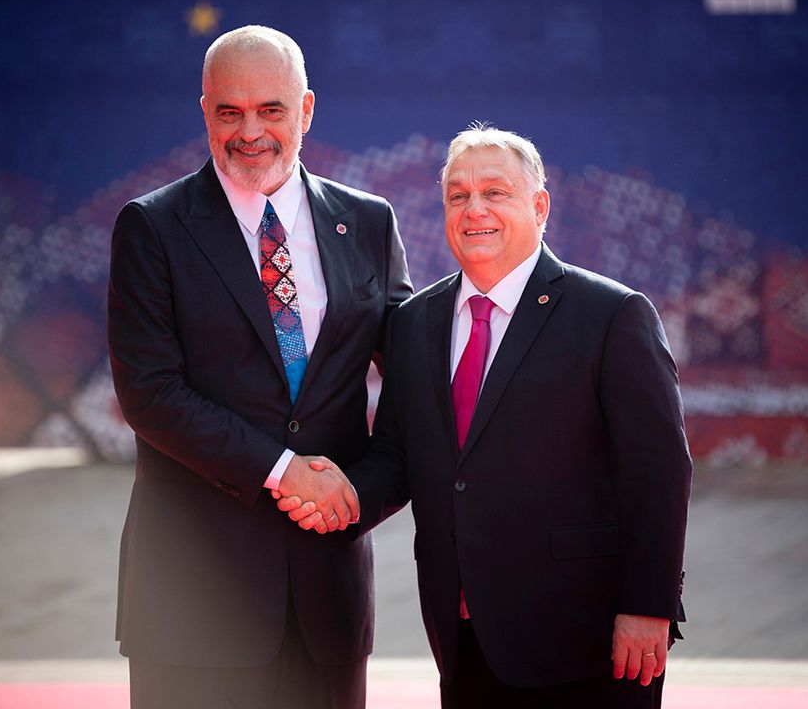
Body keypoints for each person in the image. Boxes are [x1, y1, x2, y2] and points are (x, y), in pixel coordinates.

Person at [281, 124, 692, 707]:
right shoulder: (413, 323)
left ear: (539, 204)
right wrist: (334, 498)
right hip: (463, 638)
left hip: (589, 640)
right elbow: (398, 454)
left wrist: (649, 605)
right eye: (458, 196)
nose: (474, 209)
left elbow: (659, 473)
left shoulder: (612, 315)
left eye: (495, 192)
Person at [107, 24, 411, 709]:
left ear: (305, 110)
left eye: (270, 110)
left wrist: (361, 493)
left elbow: (412, 378)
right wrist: (283, 471)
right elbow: (150, 393)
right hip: (192, 603)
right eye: (229, 112)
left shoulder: (367, 221)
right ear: (205, 111)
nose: (250, 132)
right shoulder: (152, 227)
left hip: (327, 601)